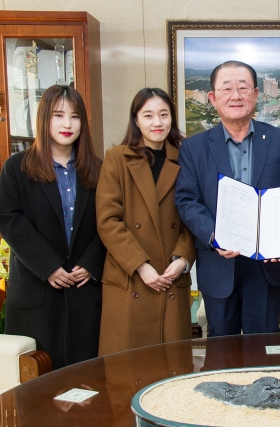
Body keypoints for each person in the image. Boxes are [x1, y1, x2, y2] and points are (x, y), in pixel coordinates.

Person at [175, 61, 280, 337]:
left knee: (266, 351)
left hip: (268, 267)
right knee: (222, 355)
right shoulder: (194, 147)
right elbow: (186, 199)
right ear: (212, 98)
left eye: (243, 88)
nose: (236, 95)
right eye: (227, 89)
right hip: (218, 266)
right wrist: (215, 235)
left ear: (256, 94)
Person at [0, 85, 105, 369]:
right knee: (37, 387)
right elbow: (8, 217)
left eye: (75, 116)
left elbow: (111, 222)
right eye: (58, 115)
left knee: (86, 381)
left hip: (84, 290)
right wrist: (49, 266)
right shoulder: (17, 168)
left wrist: (91, 263)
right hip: (37, 291)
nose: (67, 124)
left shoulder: (98, 169)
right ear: (44, 119)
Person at [97, 88, 196, 355]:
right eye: (148, 115)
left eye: (164, 115)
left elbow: (194, 217)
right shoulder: (116, 159)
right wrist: (141, 266)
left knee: (171, 374)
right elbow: (108, 220)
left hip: (170, 275)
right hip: (131, 277)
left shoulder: (187, 158)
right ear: (136, 120)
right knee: (127, 372)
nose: (157, 122)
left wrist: (182, 260)